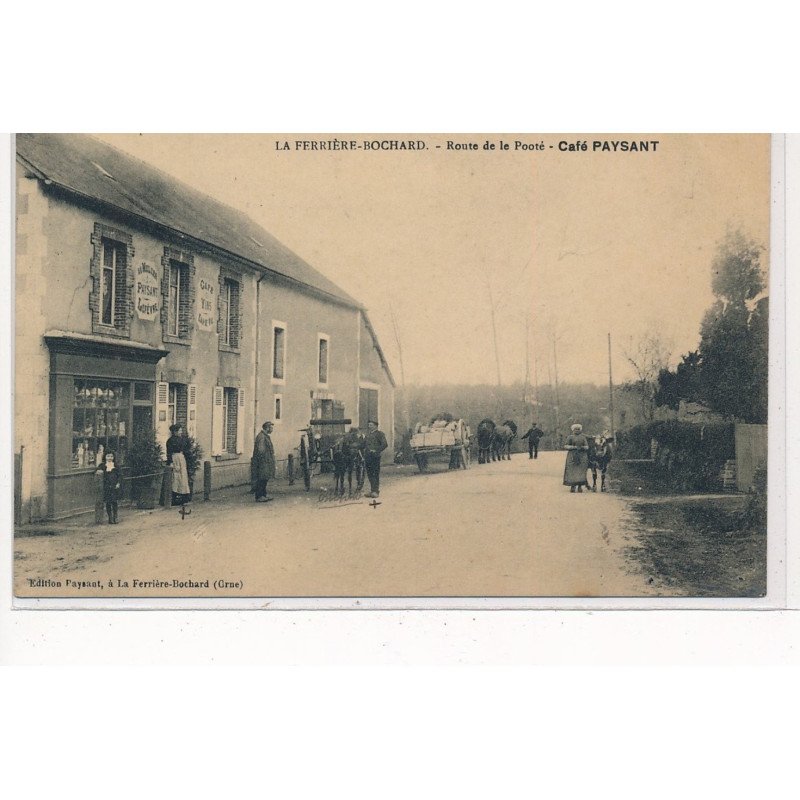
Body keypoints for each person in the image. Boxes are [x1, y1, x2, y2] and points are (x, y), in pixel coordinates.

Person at [166, 423, 191, 505]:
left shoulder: (183, 439)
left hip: (181, 459)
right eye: (179, 431)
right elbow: (169, 452)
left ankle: (183, 498)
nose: (181, 432)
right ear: (174, 432)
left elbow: (187, 447)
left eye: (181, 430)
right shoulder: (170, 441)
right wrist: (170, 462)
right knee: (175, 478)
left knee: (182, 478)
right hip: (175, 458)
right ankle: (174, 498)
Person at [252, 421, 276, 502]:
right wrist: (265, 460)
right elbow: (261, 450)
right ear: (267, 428)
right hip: (263, 462)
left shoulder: (265, 436)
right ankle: (259, 496)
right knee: (261, 478)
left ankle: (264, 494)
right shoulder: (262, 437)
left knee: (265, 478)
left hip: (265, 461)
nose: (272, 429)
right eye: (271, 428)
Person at [363, 419, 388, 498]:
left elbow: (385, 444)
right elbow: (363, 444)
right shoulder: (367, 435)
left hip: (375, 457)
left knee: (375, 473)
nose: (369, 426)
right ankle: (372, 490)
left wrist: (376, 450)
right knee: (370, 474)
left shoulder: (380, 434)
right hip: (368, 457)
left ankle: (376, 491)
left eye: (371, 425)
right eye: (369, 425)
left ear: (376, 426)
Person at [563, 422, 590, 493]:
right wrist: (573, 447)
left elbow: (587, 447)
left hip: (582, 456)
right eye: (575, 429)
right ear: (573, 430)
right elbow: (565, 446)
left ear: (580, 430)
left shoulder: (583, 438)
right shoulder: (570, 437)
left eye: (578, 429)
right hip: (572, 455)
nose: (577, 430)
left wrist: (582, 447)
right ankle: (573, 486)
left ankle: (580, 486)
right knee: (572, 470)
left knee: (581, 471)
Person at [96, 450, 121, 524]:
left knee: (114, 501)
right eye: (108, 456)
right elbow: (97, 471)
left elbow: (120, 476)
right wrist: (99, 471)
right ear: (105, 457)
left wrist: (118, 483)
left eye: (111, 456)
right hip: (107, 486)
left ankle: (115, 516)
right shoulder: (102, 465)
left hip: (114, 486)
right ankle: (110, 517)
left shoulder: (116, 466)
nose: (110, 458)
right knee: (108, 502)